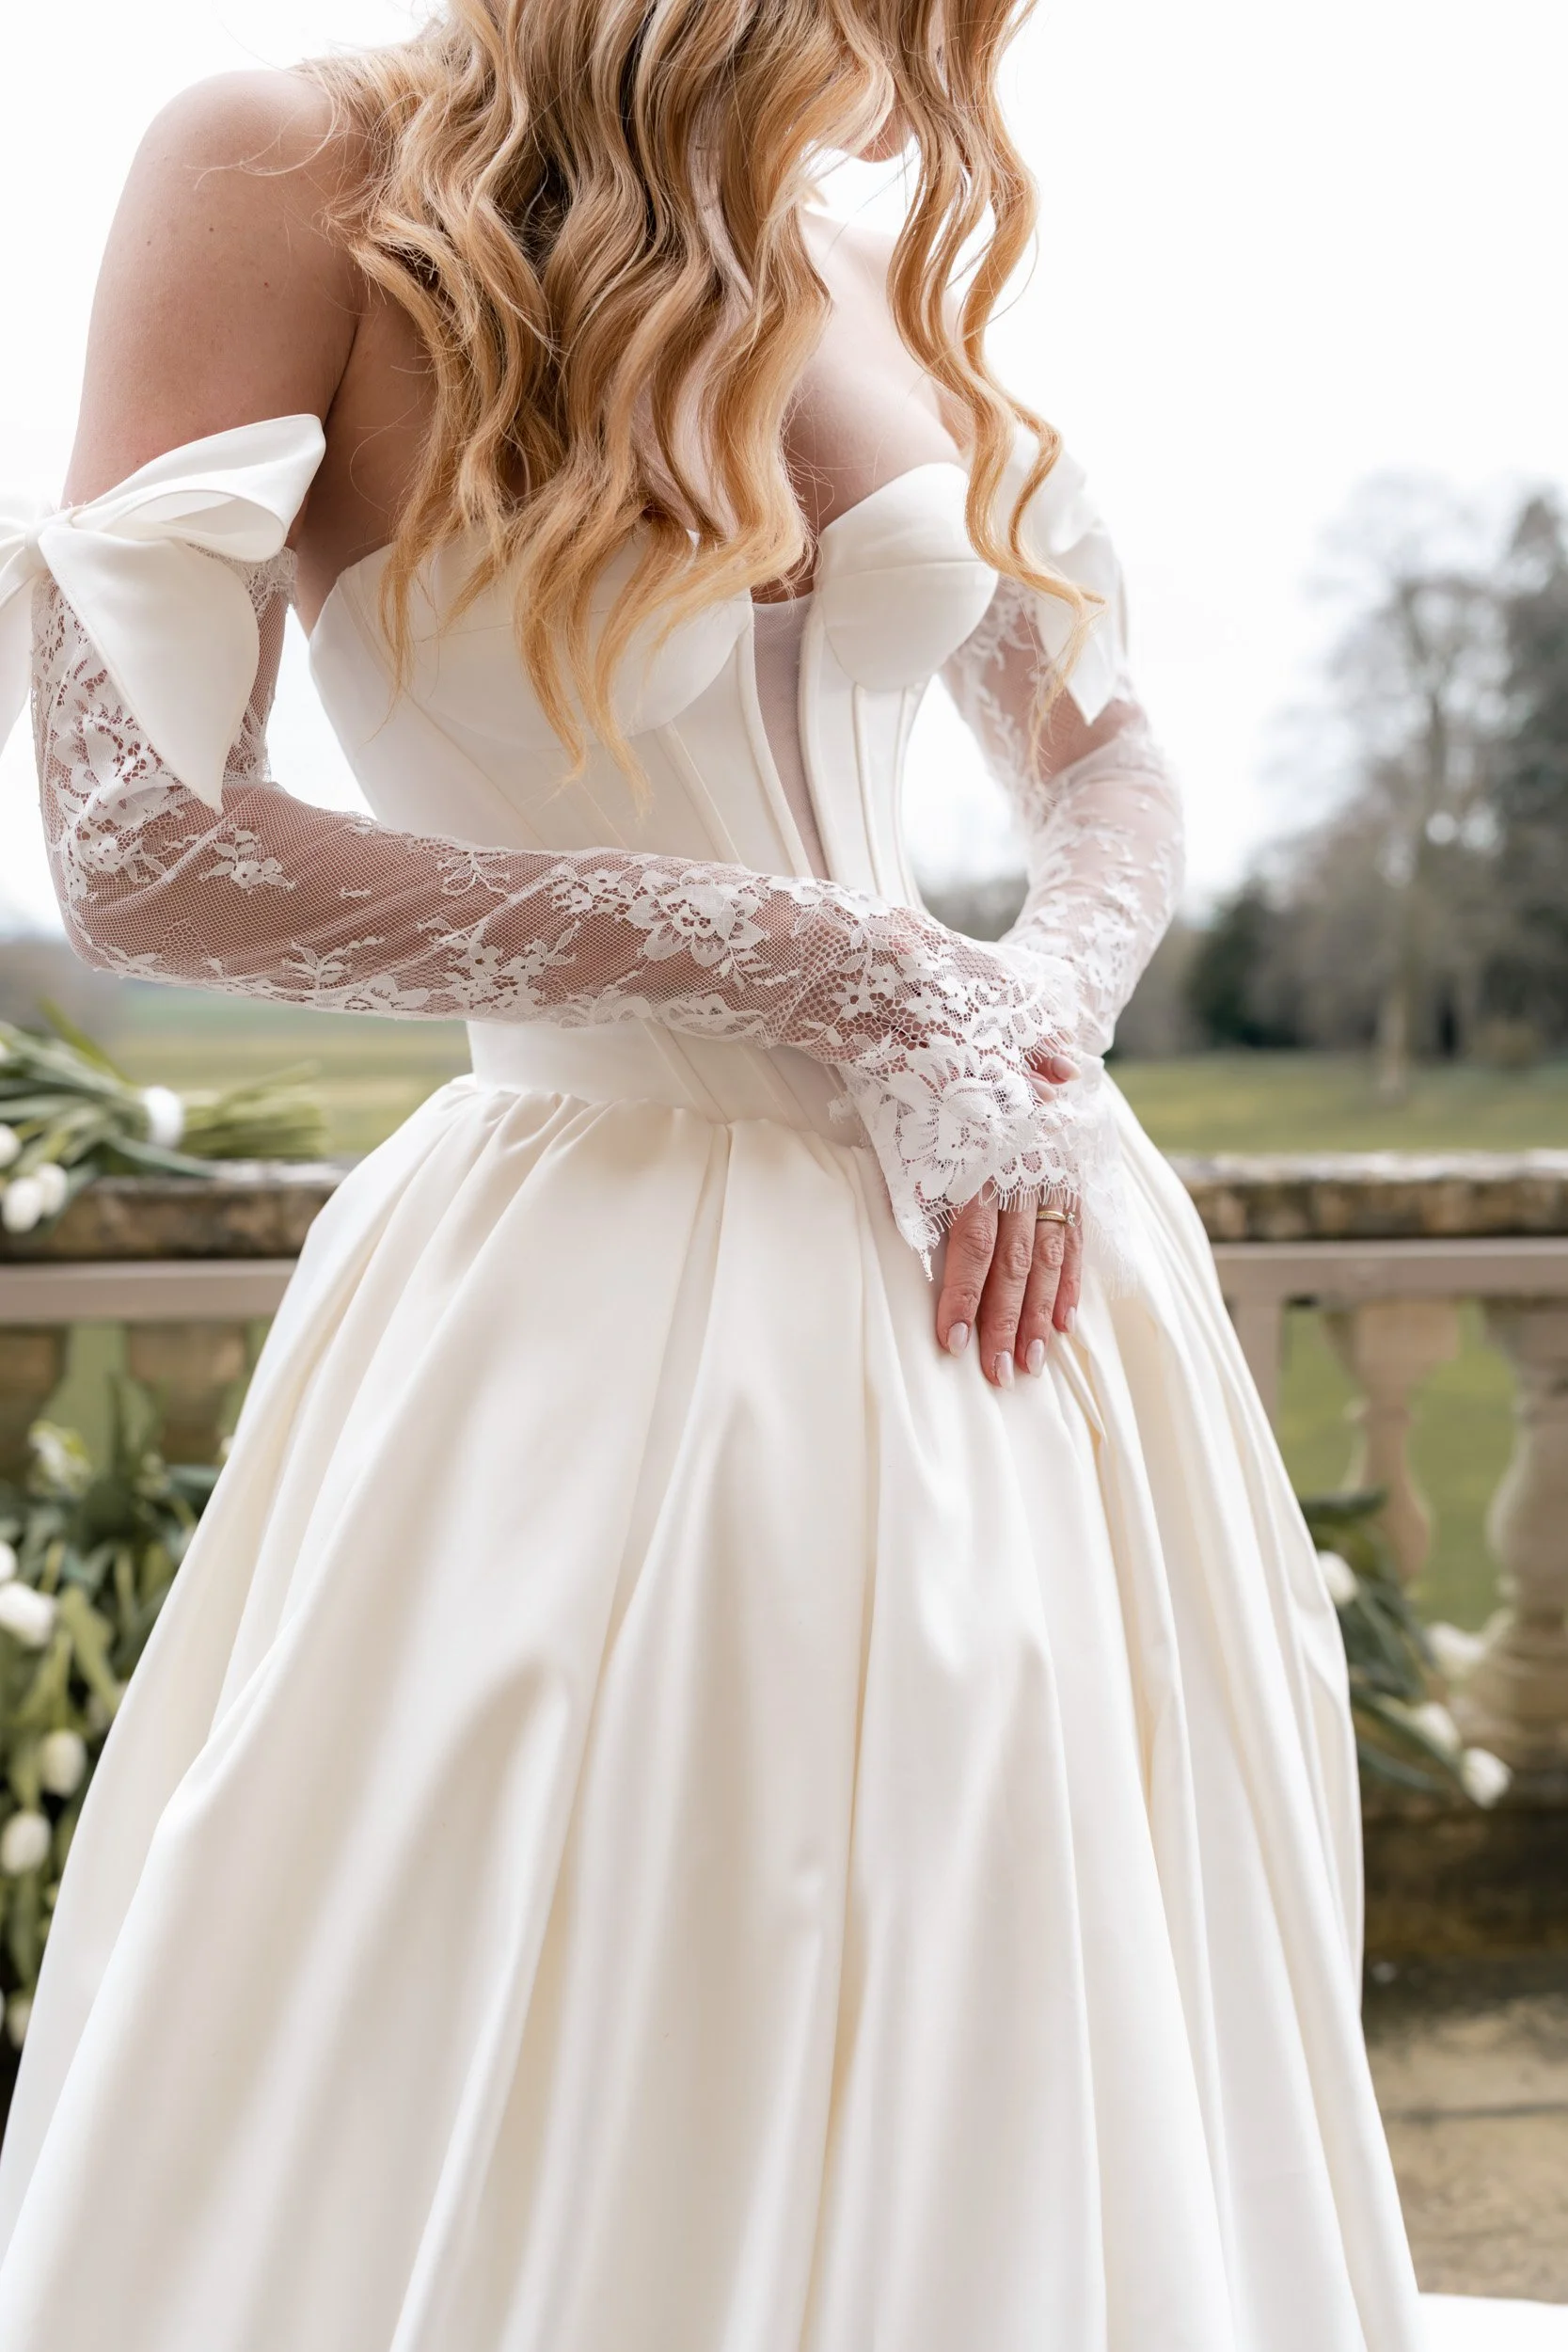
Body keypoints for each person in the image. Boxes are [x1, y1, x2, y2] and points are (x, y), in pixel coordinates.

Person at [0, 2, 1461, 2343]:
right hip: (585, 1302)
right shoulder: (285, 166)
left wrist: (1015, 1006)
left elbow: (1110, 761)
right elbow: (147, 848)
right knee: (604, 1972)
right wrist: (814, 966)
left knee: (1026, 2004)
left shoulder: (856, 253)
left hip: (1012, 1284)